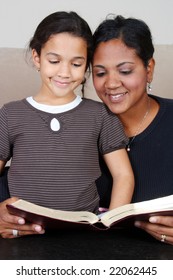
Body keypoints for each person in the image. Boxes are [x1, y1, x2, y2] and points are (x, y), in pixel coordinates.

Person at [0, 11, 134, 238]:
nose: (64, 72)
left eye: (76, 63)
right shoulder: (10, 114)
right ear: (37, 58)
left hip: (85, 232)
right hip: (24, 231)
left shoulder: (99, 114)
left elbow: (123, 174)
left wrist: (110, 224)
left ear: (86, 67)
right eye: (54, 61)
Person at [92, 15, 173, 245]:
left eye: (125, 71)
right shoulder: (80, 125)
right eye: (100, 73)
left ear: (149, 69)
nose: (111, 83)